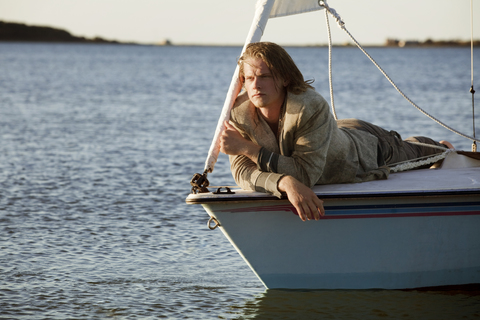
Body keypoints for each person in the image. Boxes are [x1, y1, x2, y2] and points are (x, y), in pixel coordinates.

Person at [219, 42, 452, 222]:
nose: (255, 85)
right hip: (332, 133)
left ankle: (443, 147)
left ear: (285, 78)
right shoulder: (239, 113)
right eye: (249, 78)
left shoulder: (309, 106)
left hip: (365, 149)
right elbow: (241, 172)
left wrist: (246, 148)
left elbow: (305, 175)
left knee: (414, 151)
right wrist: (283, 183)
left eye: (264, 76)